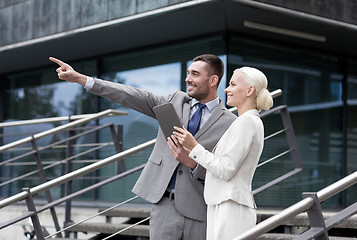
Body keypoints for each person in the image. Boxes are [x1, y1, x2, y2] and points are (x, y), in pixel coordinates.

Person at [49, 54, 237, 240]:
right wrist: (81, 79)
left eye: (195, 74)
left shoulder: (230, 123)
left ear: (213, 80)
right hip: (164, 207)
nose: (187, 78)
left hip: (200, 211)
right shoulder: (174, 100)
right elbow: (129, 95)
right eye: (188, 73)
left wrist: (193, 164)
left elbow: (227, 171)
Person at [168, 66, 273, 240]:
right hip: (224, 204)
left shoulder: (246, 122)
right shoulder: (246, 121)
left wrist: (194, 147)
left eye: (232, 84)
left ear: (249, 90)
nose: (226, 89)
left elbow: (226, 169)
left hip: (231, 206)